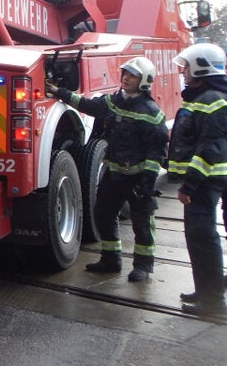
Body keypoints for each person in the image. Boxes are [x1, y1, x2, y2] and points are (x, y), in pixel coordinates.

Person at [46, 57, 168, 282]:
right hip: (114, 174)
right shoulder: (115, 101)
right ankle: (111, 260)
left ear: (144, 81)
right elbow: (89, 106)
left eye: (132, 75)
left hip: (138, 178)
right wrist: (60, 92)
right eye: (125, 73)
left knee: (142, 223)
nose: (126, 78)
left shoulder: (150, 112)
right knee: (103, 214)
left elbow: (156, 150)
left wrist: (148, 182)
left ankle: (143, 266)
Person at [167, 43, 227, 319]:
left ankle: (212, 301)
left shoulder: (211, 100)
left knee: (202, 237)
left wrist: (188, 185)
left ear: (201, 67)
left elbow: (209, 148)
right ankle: (206, 291)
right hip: (209, 180)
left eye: (187, 67)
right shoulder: (205, 98)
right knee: (203, 237)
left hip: (205, 182)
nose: (183, 72)